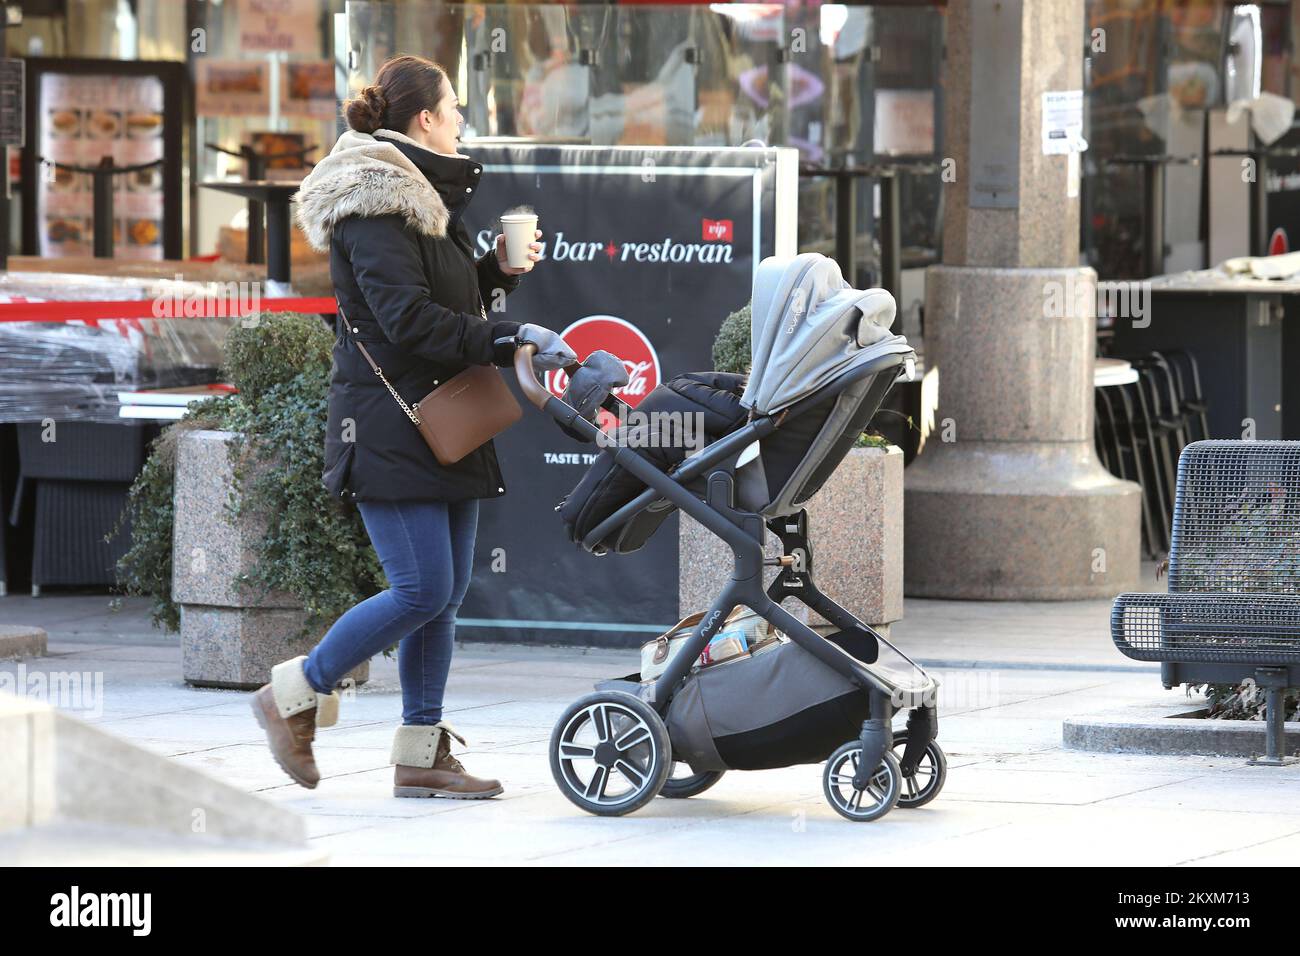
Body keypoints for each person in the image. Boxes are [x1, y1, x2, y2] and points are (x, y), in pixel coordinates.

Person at [251, 54, 569, 800]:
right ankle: (293, 692)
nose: (462, 118)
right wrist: (505, 335)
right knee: (422, 586)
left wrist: (494, 275)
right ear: (424, 118)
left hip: (440, 419)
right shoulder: (375, 204)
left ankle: (421, 753)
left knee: (446, 590)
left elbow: (439, 299)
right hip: (389, 426)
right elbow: (404, 320)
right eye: (454, 105)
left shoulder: (422, 200)